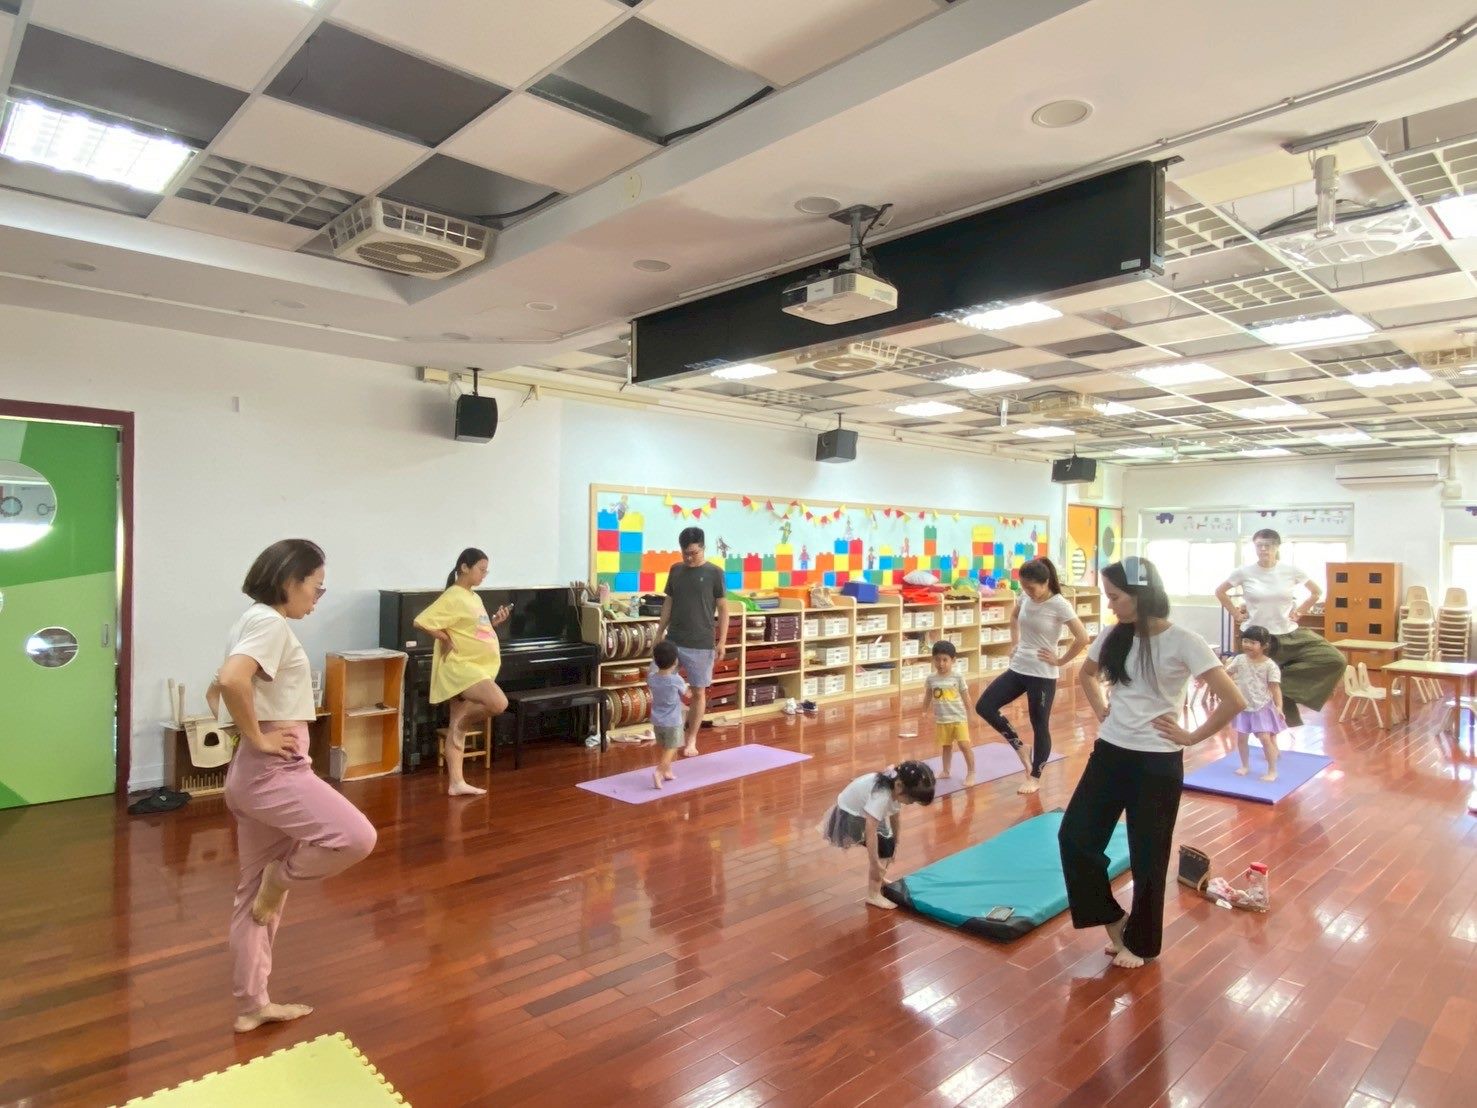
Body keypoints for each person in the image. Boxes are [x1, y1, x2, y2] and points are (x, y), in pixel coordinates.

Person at [211, 539, 377, 1033]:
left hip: (253, 775)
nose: (318, 598)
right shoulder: (269, 623)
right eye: (316, 587)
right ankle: (280, 879)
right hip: (274, 773)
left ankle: (252, 1006)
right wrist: (258, 736)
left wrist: (252, 738)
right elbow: (231, 680)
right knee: (356, 837)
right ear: (290, 581)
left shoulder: (250, 619)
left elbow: (217, 685)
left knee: (252, 899)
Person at [1059, 557, 1245, 969]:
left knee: (1148, 857)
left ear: (1140, 595)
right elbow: (1086, 675)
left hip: (1157, 763)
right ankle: (1114, 920)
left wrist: (1192, 736)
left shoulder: (1185, 641)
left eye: (1115, 597)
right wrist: (1102, 710)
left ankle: (1141, 944)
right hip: (1109, 753)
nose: (1110, 605)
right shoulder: (1113, 635)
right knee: (1074, 839)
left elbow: (1234, 699)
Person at [975, 557, 1091, 794]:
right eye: (1024, 587)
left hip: (1043, 674)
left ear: (1045, 582)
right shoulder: (1025, 597)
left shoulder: (1059, 604)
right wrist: (1014, 643)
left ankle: (1035, 777)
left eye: (1031, 587)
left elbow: (1083, 638)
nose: (1027, 592)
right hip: (1019, 667)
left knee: (1039, 725)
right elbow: (1014, 617)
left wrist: (1061, 661)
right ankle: (1020, 747)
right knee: (984, 706)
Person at [1215, 529, 1343, 728]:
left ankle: (1276, 686)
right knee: (1264, 707)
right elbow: (1220, 591)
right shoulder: (1244, 572)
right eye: (1259, 545)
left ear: (1276, 547)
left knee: (1335, 659)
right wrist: (1235, 614)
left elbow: (1316, 592)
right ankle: (1272, 725)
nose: (1263, 549)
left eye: (1268, 545)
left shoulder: (1290, 571)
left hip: (1289, 633)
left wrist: (1300, 611)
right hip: (1259, 637)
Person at [413, 548, 510, 796]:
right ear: (465, 567)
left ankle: (456, 783)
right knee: (498, 703)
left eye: (486, 571)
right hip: (461, 668)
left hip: (475, 666)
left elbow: (474, 629)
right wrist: (444, 638)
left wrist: (495, 623)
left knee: (457, 725)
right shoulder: (453, 596)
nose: (484, 575)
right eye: (481, 569)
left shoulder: (473, 597)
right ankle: (465, 722)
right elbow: (421, 621)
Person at [818, 761, 936, 909]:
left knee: (889, 845)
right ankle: (873, 894)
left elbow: (895, 815)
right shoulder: (881, 795)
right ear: (899, 786)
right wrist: (874, 863)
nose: (910, 803)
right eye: (911, 800)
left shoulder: (894, 786)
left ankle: (878, 879)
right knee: (884, 847)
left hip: (861, 813)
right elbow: (870, 829)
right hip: (848, 817)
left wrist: (896, 842)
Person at [655, 526, 730, 757]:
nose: (688, 558)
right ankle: (671, 732)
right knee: (662, 683)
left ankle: (691, 740)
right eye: (685, 553)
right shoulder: (676, 570)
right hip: (674, 641)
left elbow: (723, 609)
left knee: (698, 692)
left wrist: (722, 641)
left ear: (703, 548)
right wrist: (659, 633)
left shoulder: (715, 573)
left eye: (693, 553)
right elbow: (668, 603)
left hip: (701, 643)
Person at [1227, 626, 1284, 782]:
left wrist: (1279, 707)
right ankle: (1245, 765)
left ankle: (1272, 770)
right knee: (1241, 738)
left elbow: (1275, 688)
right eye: (1245, 641)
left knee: (1265, 738)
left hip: (1262, 706)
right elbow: (1226, 675)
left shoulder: (1270, 665)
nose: (1247, 645)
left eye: (1253, 643)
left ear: (1264, 646)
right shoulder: (1239, 659)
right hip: (1243, 706)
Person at [921, 640, 975, 785]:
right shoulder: (931, 678)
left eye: (945, 660)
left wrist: (971, 714)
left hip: (958, 718)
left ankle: (971, 772)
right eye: (937, 660)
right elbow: (928, 695)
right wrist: (924, 711)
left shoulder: (957, 677)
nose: (941, 664)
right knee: (946, 746)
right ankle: (946, 770)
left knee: (964, 745)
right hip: (942, 719)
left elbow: (966, 697)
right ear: (933, 660)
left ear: (953, 660)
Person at [648, 640, 690, 789]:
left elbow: (653, 672)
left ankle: (667, 771)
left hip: (657, 720)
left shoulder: (651, 678)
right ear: (675, 661)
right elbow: (687, 694)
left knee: (666, 746)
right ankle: (659, 771)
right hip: (672, 722)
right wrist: (692, 688)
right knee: (672, 747)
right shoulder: (675, 680)